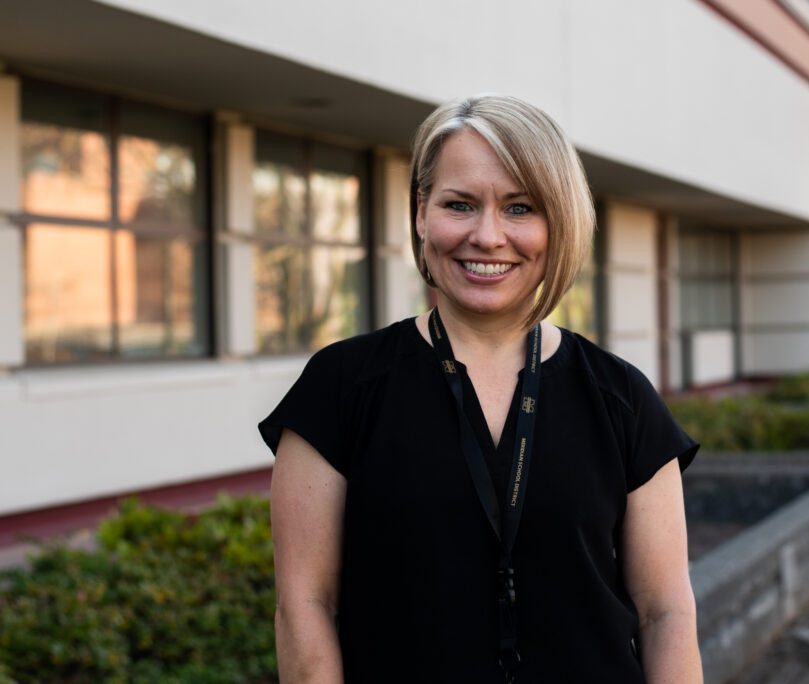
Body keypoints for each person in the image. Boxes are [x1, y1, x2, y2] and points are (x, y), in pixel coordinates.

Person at [258, 94, 702, 683]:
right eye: (459, 205)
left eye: (520, 208)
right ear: (421, 214)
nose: (487, 236)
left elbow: (665, 614)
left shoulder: (622, 397)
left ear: (559, 222)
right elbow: (305, 607)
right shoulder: (341, 387)